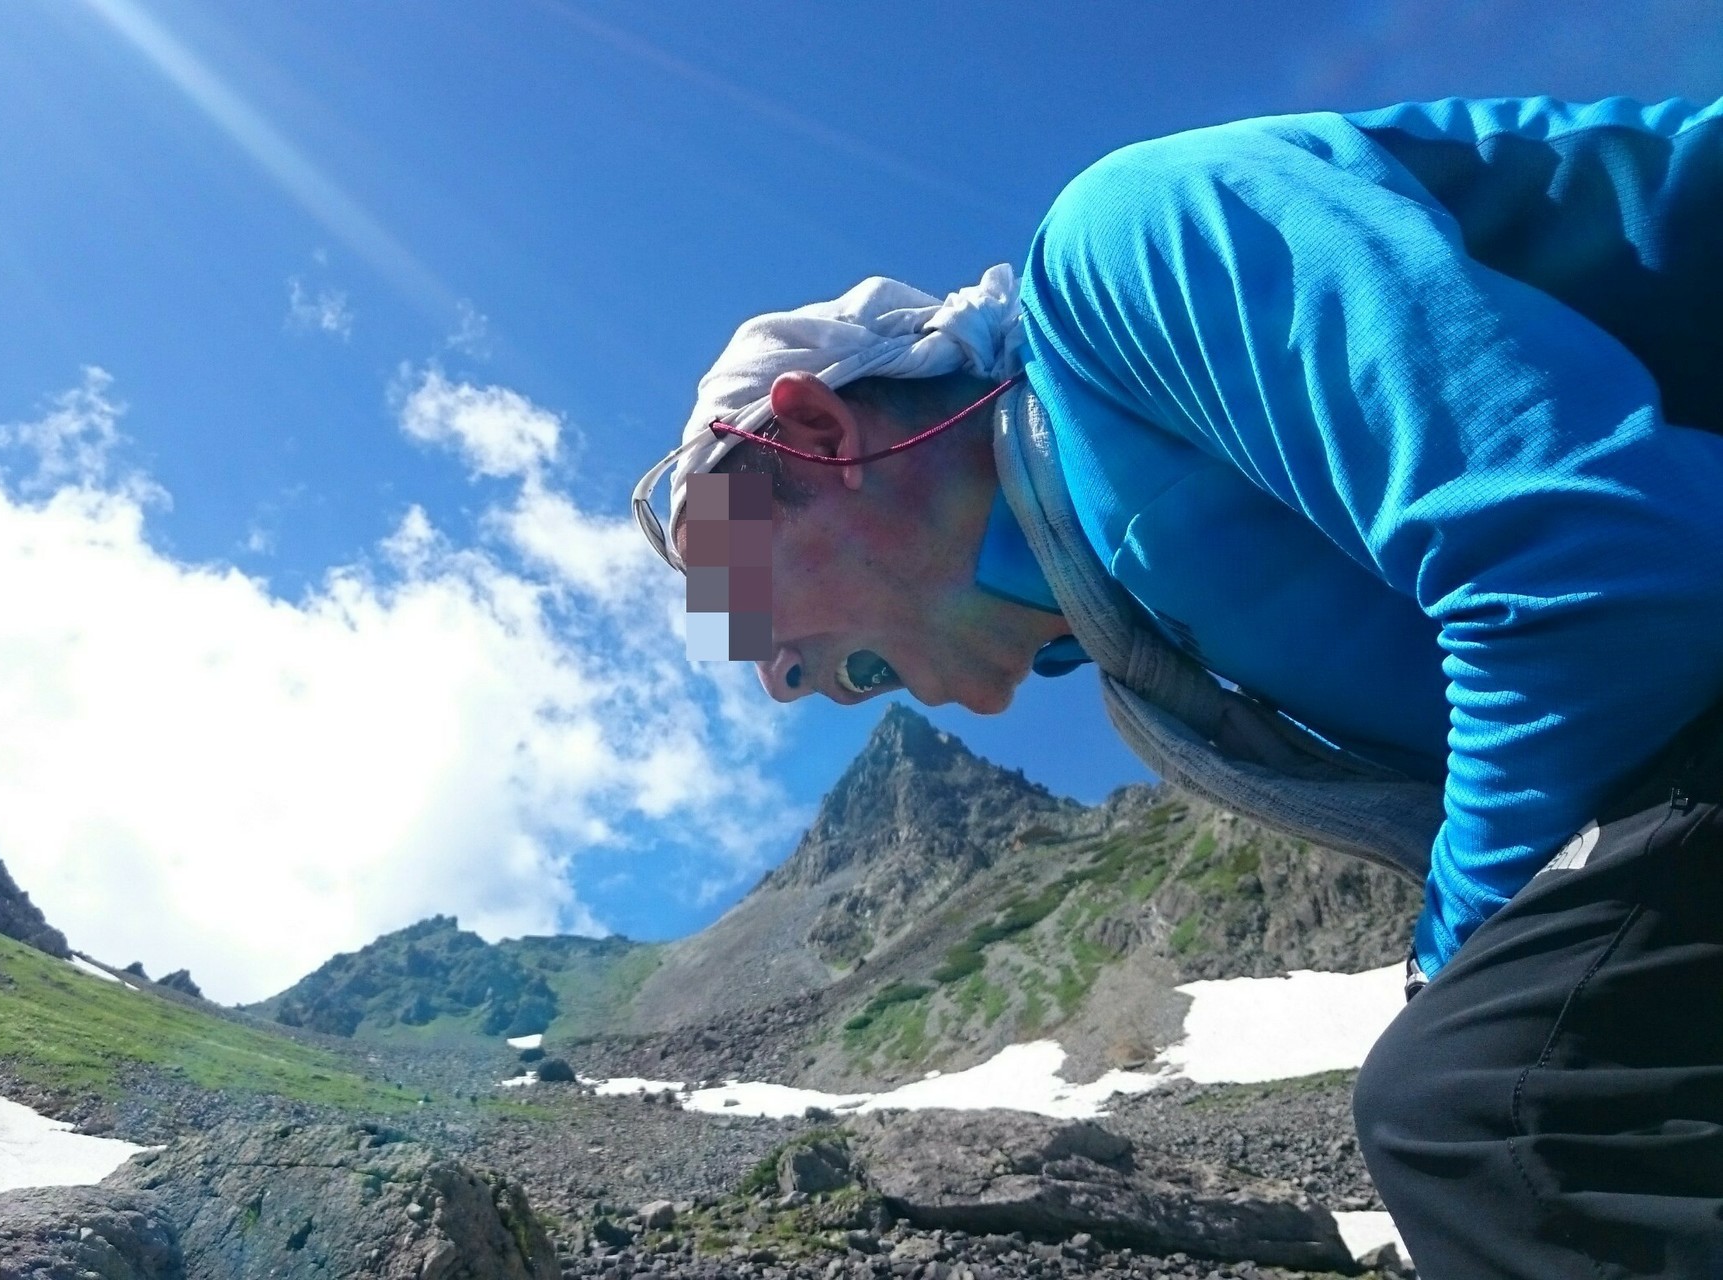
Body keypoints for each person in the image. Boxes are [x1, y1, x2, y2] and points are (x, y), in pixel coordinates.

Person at [632, 96, 1723, 1276]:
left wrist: (1457, 955)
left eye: (734, 584)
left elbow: (1588, 565)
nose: (773, 677)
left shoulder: (1125, 244)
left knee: (1483, 1100)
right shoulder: (1141, 648)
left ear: (817, 431)